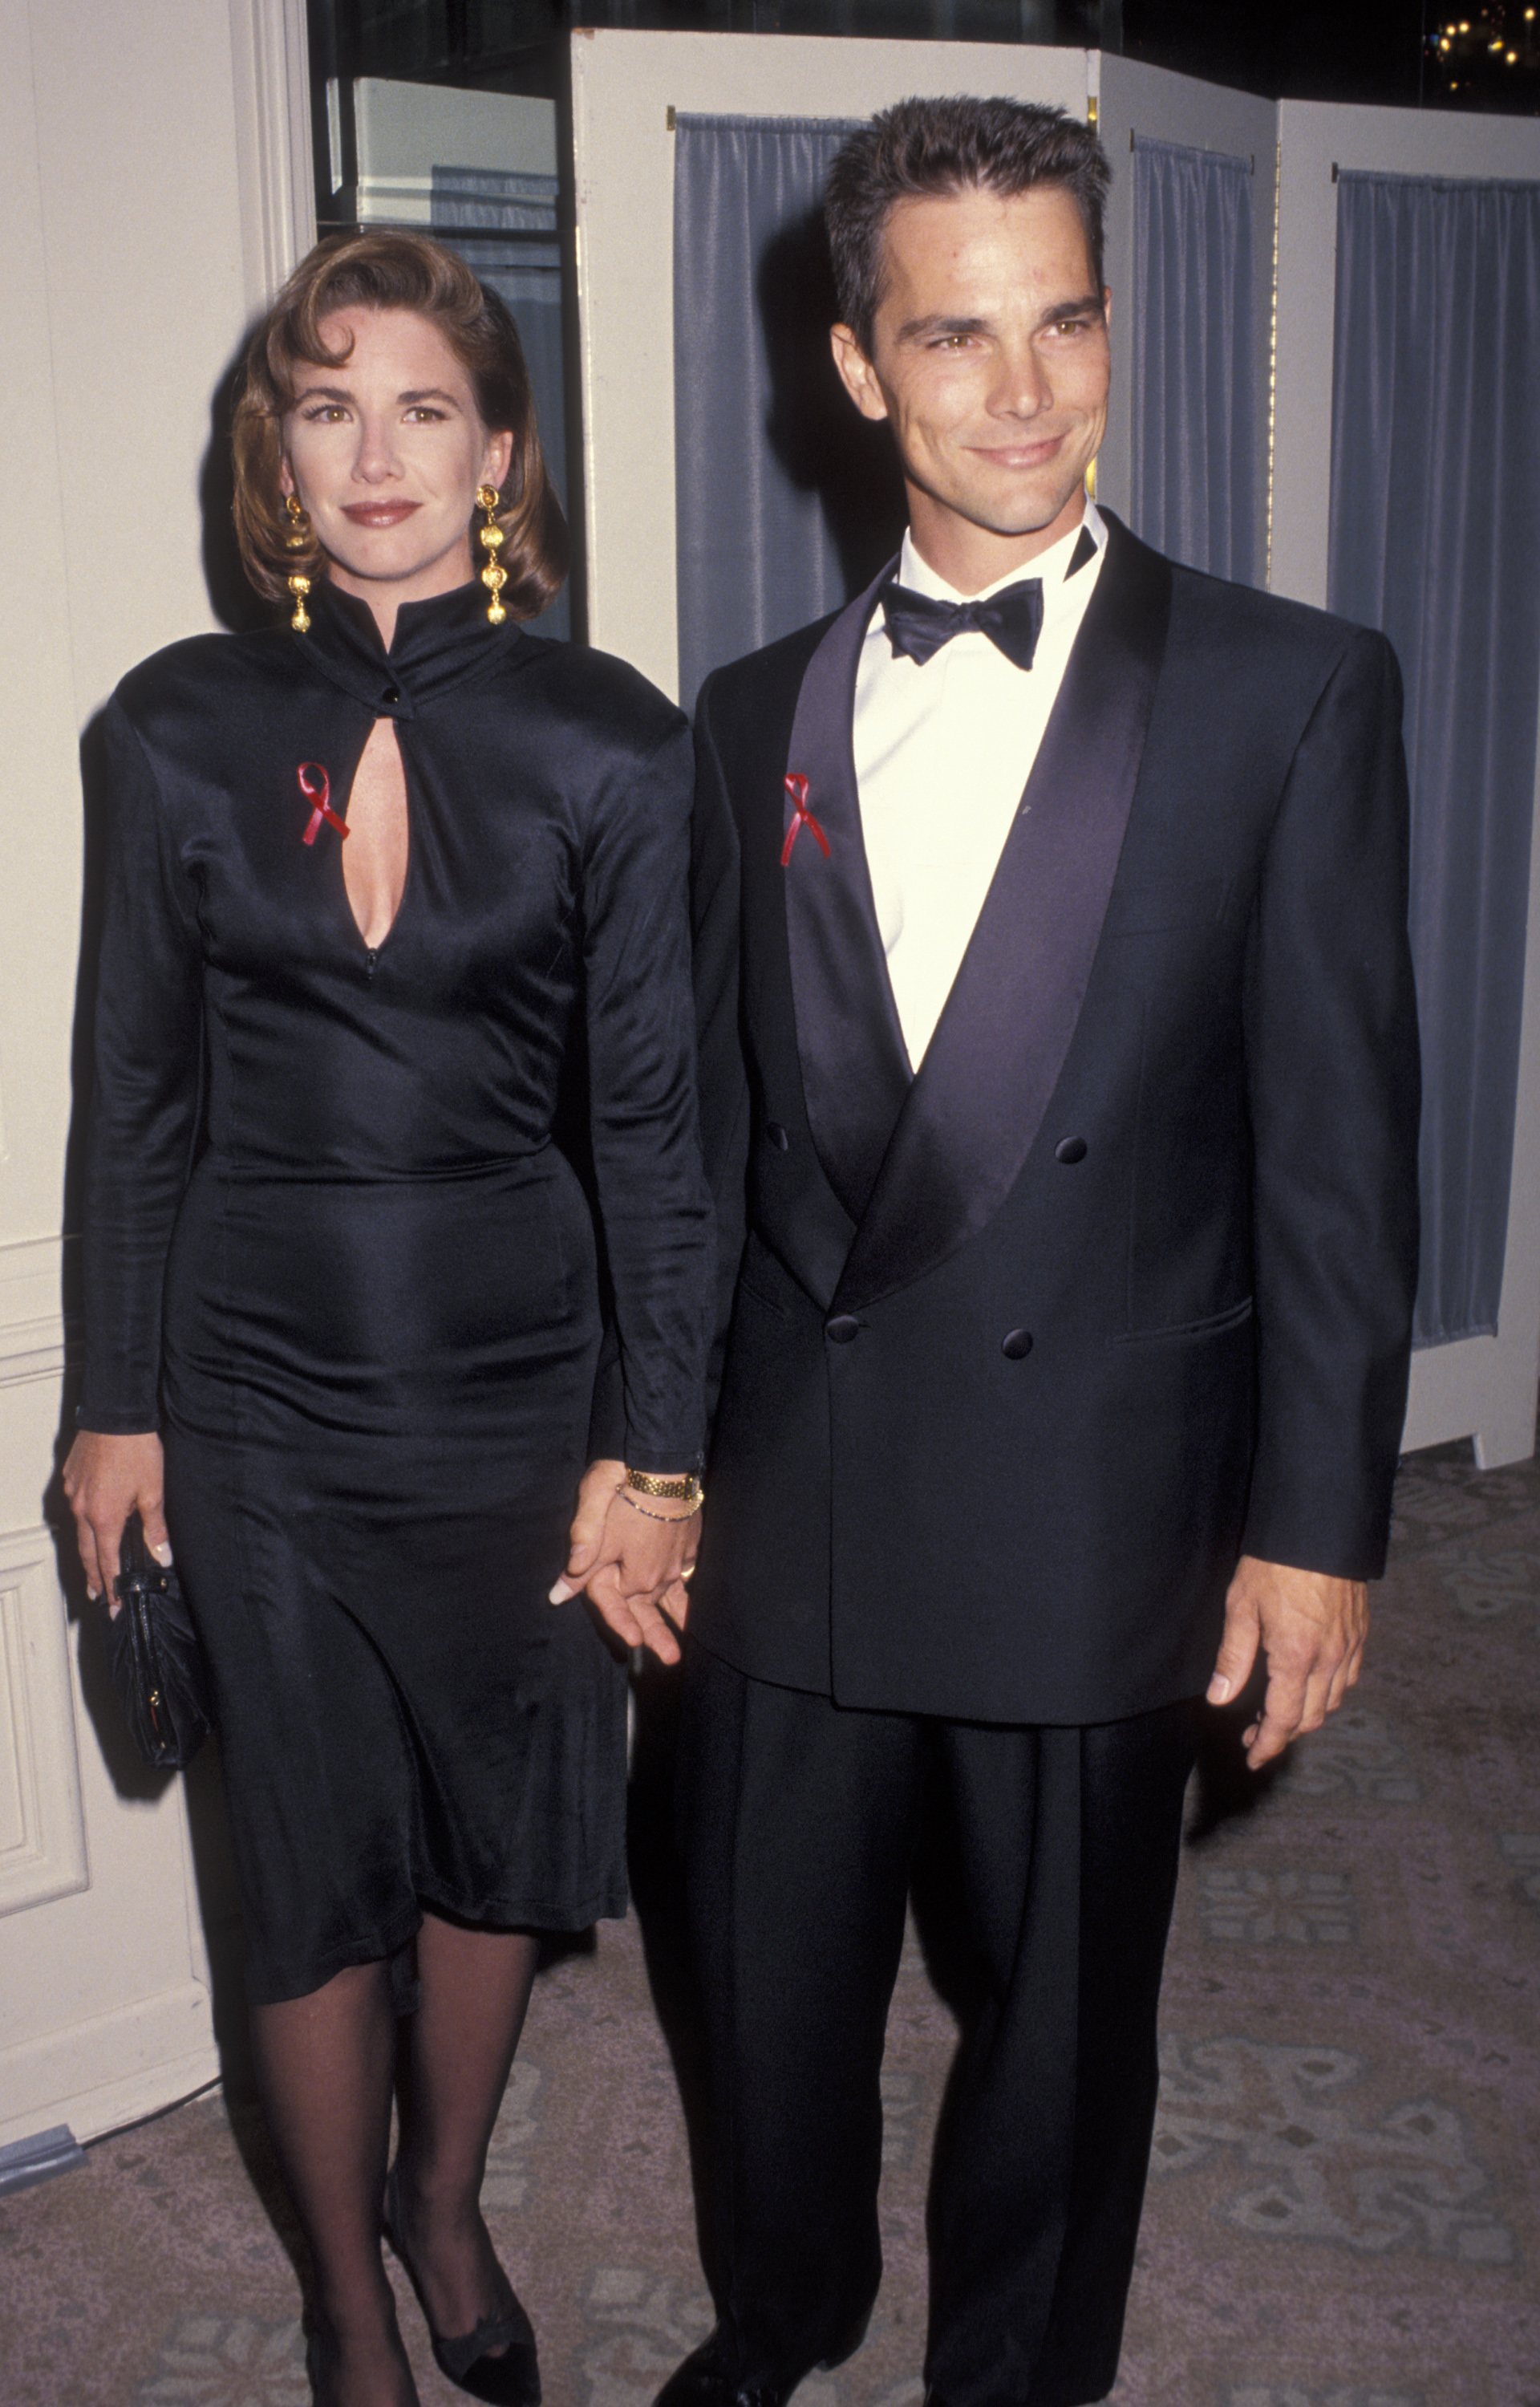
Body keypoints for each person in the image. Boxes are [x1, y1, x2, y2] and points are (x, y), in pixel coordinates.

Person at [657, 97, 1420, 2407]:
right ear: (857, 367)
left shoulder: (1293, 691)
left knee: (1065, 2032)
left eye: (1065, 321)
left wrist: (1316, 1531)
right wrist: (648, 1453)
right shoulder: (749, 718)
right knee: (754, 1994)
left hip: (1097, 1493)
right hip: (792, 1501)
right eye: (957, 336)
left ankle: (1016, 2378)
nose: (1025, 393)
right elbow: (702, 1143)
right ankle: (785, 2314)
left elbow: (1339, 1153)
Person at [62, 230, 711, 2407]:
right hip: (251, 1401)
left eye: (423, 405)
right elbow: (131, 1102)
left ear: (498, 452)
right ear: (279, 449)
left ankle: (449, 2201)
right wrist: (114, 1402)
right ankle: (351, 2299)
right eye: (327, 404)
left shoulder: (616, 747)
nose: (375, 453)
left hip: (524, 1403)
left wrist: (660, 1449)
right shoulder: (167, 729)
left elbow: (657, 1138)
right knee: (307, 1864)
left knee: (492, 1838)